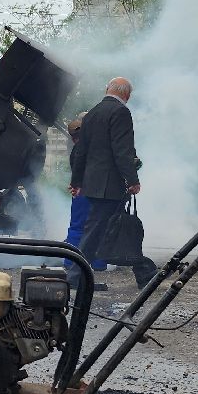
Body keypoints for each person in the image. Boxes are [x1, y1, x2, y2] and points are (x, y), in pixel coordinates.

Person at [67, 77, 149, 294]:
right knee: (99, 231)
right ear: (127, 95)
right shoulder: (121, 112)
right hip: (109, 185)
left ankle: (143, 271)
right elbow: (122, 151)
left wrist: (77, 181)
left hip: (94, 184)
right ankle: (75, 276)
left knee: (106, 229)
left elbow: (81, 152)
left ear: (107, 90)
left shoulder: (93, 112)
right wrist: (132, 180)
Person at [63, 114, 108, 274]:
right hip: (99, 191)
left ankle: (70, 261)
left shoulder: (78, 149)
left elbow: (76, 171)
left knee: (77, 227)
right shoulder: (98, 146)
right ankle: (98, 262)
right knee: (98, 226)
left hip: (82, 191)